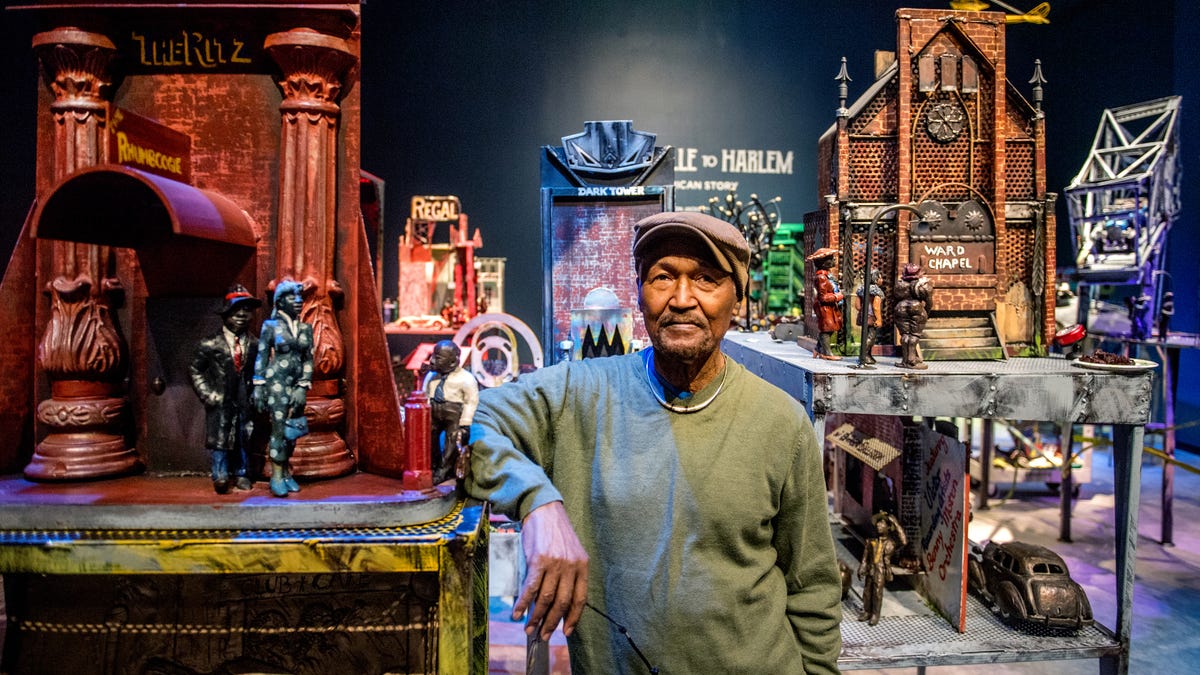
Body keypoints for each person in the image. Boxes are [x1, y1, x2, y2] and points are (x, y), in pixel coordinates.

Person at [467, 211, 842, 674]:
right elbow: (480, 423)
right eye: (663, 277)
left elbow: (812, 588)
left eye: (706, 279)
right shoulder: (579, 394)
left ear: (737, 298)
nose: (682, 299)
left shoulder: (781, 422)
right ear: (640, 292)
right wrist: (537, 503)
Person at [188, 284, 261, 494]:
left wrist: (257, 392)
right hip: (221, 400)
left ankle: (242, 472)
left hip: (244, 399)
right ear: (225, 313)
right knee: (220, 439)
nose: (241, 314)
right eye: (236, 310)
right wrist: (207, 393)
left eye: (247, 310)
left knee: (244, 437)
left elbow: (260, 370)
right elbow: (196, 370)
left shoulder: (255, 344)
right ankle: (220, 474)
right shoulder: (210, 344)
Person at [252, 279, 313, 498]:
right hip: (276, 383)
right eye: (291, 297)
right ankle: (276, 474)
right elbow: (261, 356)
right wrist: (258, 385)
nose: (297, 301)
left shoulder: (306, 328)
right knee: (278, 428)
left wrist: (303, 386)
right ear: (280, 301)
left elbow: (308, 359)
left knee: (293, 430)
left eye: (299, 297)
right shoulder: (271, 326)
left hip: (297, 386)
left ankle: (287, 471)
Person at [422, 339, 479, 484]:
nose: (432, 361)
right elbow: (425, 395)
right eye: (433, 356)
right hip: (433, 412)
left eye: (438, 358)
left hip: (453, 414)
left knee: (452, 441)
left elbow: (471, 402)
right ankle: (432, 466)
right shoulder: (431, 377)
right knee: (429, 439)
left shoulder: (466, 379)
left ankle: (444, 470)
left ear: (453, 362)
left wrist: (465, 422)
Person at [857, 512, 905, 626]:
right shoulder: (871, 541)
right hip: (871, 569)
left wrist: (896, 524)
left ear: (888, 527)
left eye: (882, 523)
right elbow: (865, 557)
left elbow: (903, 541)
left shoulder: (890, 543)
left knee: (877, 592)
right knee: (867, 592)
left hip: (881, 570)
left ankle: (875, 614)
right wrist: (862, 566)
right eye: (878, 523)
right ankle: (867, 611)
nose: (879, 525)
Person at [893, 263, 933, 369]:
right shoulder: (923, 285)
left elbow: (894, 299)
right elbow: (929, 302)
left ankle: (905, 360)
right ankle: (912, 360)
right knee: (914, 335)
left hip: (901, 308)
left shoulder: (899, 285)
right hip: (916, 308)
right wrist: (926, 312)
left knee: (905, 335)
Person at [807, 247, 844, 360]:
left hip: (830, 307)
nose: (834, 260)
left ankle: (818, 349)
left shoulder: (827, 276)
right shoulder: (821, 277)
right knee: (827, 329)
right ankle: (827, 353)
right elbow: (823, 297)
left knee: (830, 328)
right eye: (831, 259)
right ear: (824, 262)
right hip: (825, 307)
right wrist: (838, 296)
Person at [854, 268, 885, 367]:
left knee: (865, 335)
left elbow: (857, 306)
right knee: (871, 336)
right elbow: (876, 306)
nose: (882, 279)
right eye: (880, 277)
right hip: (872, 317)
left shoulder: (861, 289)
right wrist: (879, 319)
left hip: (863, 316)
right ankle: (864, 355)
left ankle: (867, 355)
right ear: (876, 279)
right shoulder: (877, 292)